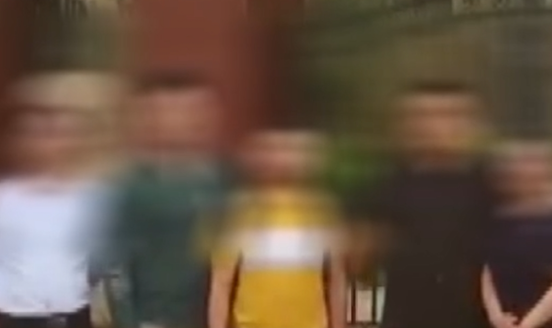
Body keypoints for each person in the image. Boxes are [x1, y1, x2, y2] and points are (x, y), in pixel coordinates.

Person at [350, 80, 498, 328]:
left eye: (451, 115)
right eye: (423, 116)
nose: (437, 126)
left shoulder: (496, 187)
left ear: (473, 123)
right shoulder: (381, 189)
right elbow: (356, 268)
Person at [102, 72, 233, 328]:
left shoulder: (229, 180)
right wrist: (129, 321)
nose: (180, 120)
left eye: (193, 110)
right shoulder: (129, 187)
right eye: (168, 110)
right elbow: (114, 266)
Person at [208, 126, 347, 328]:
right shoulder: (238, 212)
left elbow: (336, 281)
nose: (283, 158)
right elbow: (221, 284)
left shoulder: (323, 211)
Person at [0, 98, 108, 328]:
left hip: (75, 316)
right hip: (17, 318)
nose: (50, 144)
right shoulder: (5, 198)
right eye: (37, 134)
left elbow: (106, 255)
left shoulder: (93, 197)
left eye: (61, 134)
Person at [482, 142, 552, 328]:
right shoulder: (500, 221)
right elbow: (487, 270)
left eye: (537, 175)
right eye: (522, 176)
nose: (529, 181)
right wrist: (496, 315)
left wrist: (527, 325)